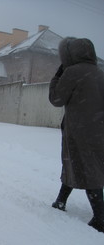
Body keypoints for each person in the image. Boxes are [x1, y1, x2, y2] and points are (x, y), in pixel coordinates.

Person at [49, 37, 104, 233]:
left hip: (79, 131)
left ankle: (100, 218)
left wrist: (58, 75)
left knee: (84, 168)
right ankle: (60, 200)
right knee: (86, 165)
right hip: (98, 131)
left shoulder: (72, 72)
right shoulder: (100, 73)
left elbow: (56, 98)